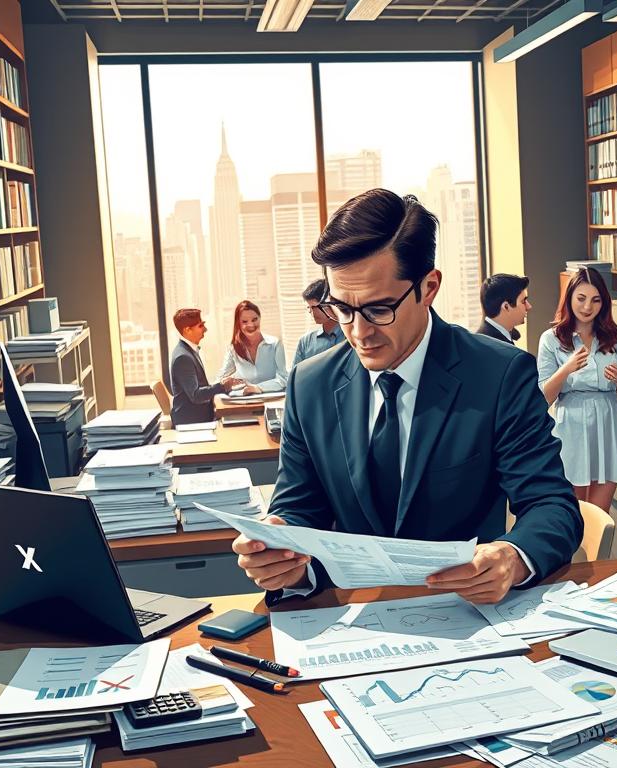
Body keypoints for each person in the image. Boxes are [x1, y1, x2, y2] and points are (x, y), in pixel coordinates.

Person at [232, 189, 583, 605]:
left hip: (469, 615)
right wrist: (282, 557)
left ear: (429, 287)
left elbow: (552, 505)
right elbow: (298, 508)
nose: (359, 332)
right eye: (342, 308)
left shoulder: (499, 375)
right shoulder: (311, 384)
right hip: (352, 619)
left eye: (379, 309)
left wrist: (512, 556)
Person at [537, 268, 617, 514]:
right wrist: (566, 370)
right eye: (581, 298)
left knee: (600, 517)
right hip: (572, 426)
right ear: (569, 297)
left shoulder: (616, 336)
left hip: (609, 422)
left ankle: (597, 555)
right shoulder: (552, 339)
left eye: (596, 299)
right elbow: (544, 397)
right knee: (573, 515)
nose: (587, 307)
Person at [169, 308, 241, 427]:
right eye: (200, 326)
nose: (205, 329)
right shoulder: (183, 358)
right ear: (187, 330)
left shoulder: (187, 351)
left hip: (199, 416)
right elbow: (196, 395)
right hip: (193, 422)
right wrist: (223, 386)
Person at [216, 300, 288, 393]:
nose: (251, 325)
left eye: (254, 319)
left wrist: (258, 388)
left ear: (260, 318)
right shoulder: (233, 348)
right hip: (245, 400)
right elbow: (222, 376)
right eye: (245, 321)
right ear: (238, 323)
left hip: (272, 399)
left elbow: (283, 378)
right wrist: (224, 383)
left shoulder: (275, 344)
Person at [292, 279, 346, 367]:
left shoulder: (350, 336)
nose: (311, 312)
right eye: (309, 308)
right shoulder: (305, 342)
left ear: (329, 304)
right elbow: (296, 376)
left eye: (314, 307)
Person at [476, 273, 531, 344]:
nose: (529, 306)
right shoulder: (494, 346)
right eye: (523, 301)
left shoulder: (484, 338)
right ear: (506, 306)